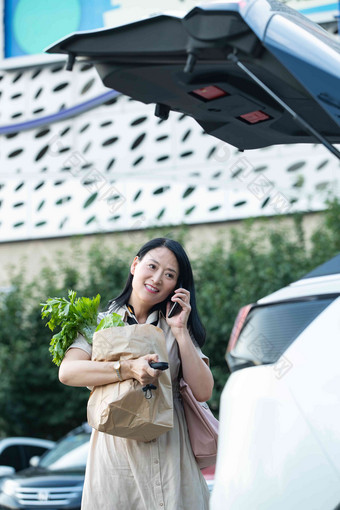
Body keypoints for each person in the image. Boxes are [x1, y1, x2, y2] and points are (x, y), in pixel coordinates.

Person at [59, 237, 214, 510]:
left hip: (171, 452)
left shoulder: (176, 328)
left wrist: (179, 330)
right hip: (116, 450)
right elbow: (68, 372)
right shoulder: (98, 323)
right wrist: (127, 368)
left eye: (169, 275)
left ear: (176, 286)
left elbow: (203, 391)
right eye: (152, 266)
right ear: (135, 265)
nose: (156, 278)